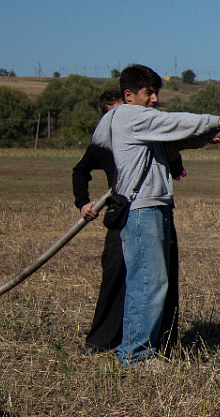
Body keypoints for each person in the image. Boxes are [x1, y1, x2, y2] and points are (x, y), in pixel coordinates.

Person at [92, 65, 220, 368]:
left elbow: (176, 138)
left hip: (156, 207)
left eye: (156, 92)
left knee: (151, 282)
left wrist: (211, 134)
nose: (155, 99)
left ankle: (139, 349)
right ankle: (136, 355)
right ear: (129, 95)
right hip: (142, 210)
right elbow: (173, 122)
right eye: (149, 93)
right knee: (148, 283)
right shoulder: (127, 115)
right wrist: (216, 120)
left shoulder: (140, 122)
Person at [73, 87, 185, 354]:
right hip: (124, 214)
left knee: (160, 279)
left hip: (156, 211)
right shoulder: (104, 143)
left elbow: (176, 170)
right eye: (114, 114)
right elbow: (80, 171)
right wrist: (83, 203)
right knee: (116, 276)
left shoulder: (150, 135)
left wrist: (174, 157)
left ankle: (161, 342)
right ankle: (104, 341)